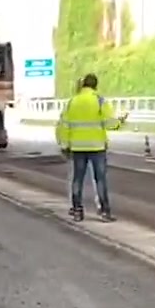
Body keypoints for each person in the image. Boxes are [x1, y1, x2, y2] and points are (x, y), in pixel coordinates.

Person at [57, 73, 127, 222]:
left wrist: (64, 145)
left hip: (77, 147)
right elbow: (110, 123)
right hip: (97, 147)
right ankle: (104, 211)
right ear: (96, 85)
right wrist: (120, 122)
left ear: (83, 85)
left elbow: (63, 126)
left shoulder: (72, 102)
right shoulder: (100, 101)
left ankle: (77, 210)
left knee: (77, 179)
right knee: (100, 179)